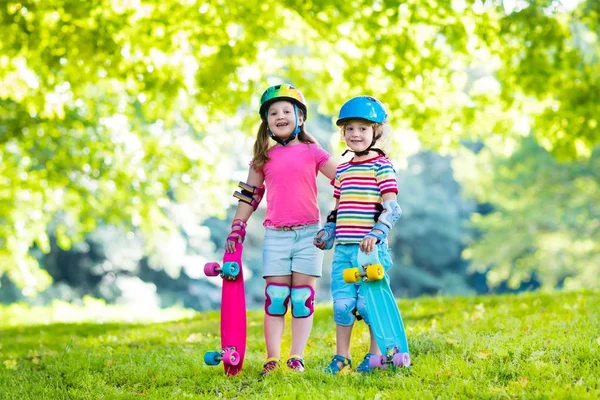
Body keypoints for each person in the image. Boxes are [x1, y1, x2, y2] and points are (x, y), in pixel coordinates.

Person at [224, 84, 337, 376]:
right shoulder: (264, 157)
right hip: (276, 235)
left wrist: (338, 217)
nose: (280, 116)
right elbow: (250, 195)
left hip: (309, 234)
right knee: (275, 297)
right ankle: (272, 359)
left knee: (302, 299)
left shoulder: (313, 151)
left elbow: (342, 179)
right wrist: (237, 226)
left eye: (287, 110)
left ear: (300, 117)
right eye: (273, 112)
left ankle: (296, 357)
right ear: (267, 122)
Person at [313, 96, 402, 374]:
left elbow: (393, 208)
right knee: (342, 305)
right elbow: (338, 209)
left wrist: (376, 234)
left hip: (371, 251)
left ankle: (374, 356)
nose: (355, 134)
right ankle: (342, 357)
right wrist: (328, 230)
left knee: (369, 304)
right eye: (349, 129)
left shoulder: (381, 166)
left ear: (376, 131)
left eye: (362, 128)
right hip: (343, 250)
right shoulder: (343, 170)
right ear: (343, 133)